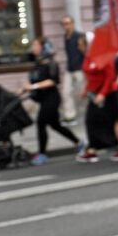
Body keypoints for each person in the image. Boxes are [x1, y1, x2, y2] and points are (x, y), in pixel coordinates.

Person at [19, 37, 78, 165]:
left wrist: (33, 87)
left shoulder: (51, 62)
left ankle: (42, 154)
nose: (33, 48)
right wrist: (23, 90)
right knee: (55, 125)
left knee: (41, 123)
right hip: (43, 99)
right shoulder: (38, 63)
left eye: (35, 45)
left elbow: (52, 81)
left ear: (43, 47)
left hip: (52, 99)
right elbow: (33, 80)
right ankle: (79, 143)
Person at [58, 14, 87, 124]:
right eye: (64, 24)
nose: (66, 26)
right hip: (70, 68)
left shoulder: (79, 36)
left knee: (82, 92)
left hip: (80, 68)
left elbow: (85, 52)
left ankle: (88, 112)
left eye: (68, 23)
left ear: (73, 24)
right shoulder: (65, 37)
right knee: (66, 92)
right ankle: (70, 115)